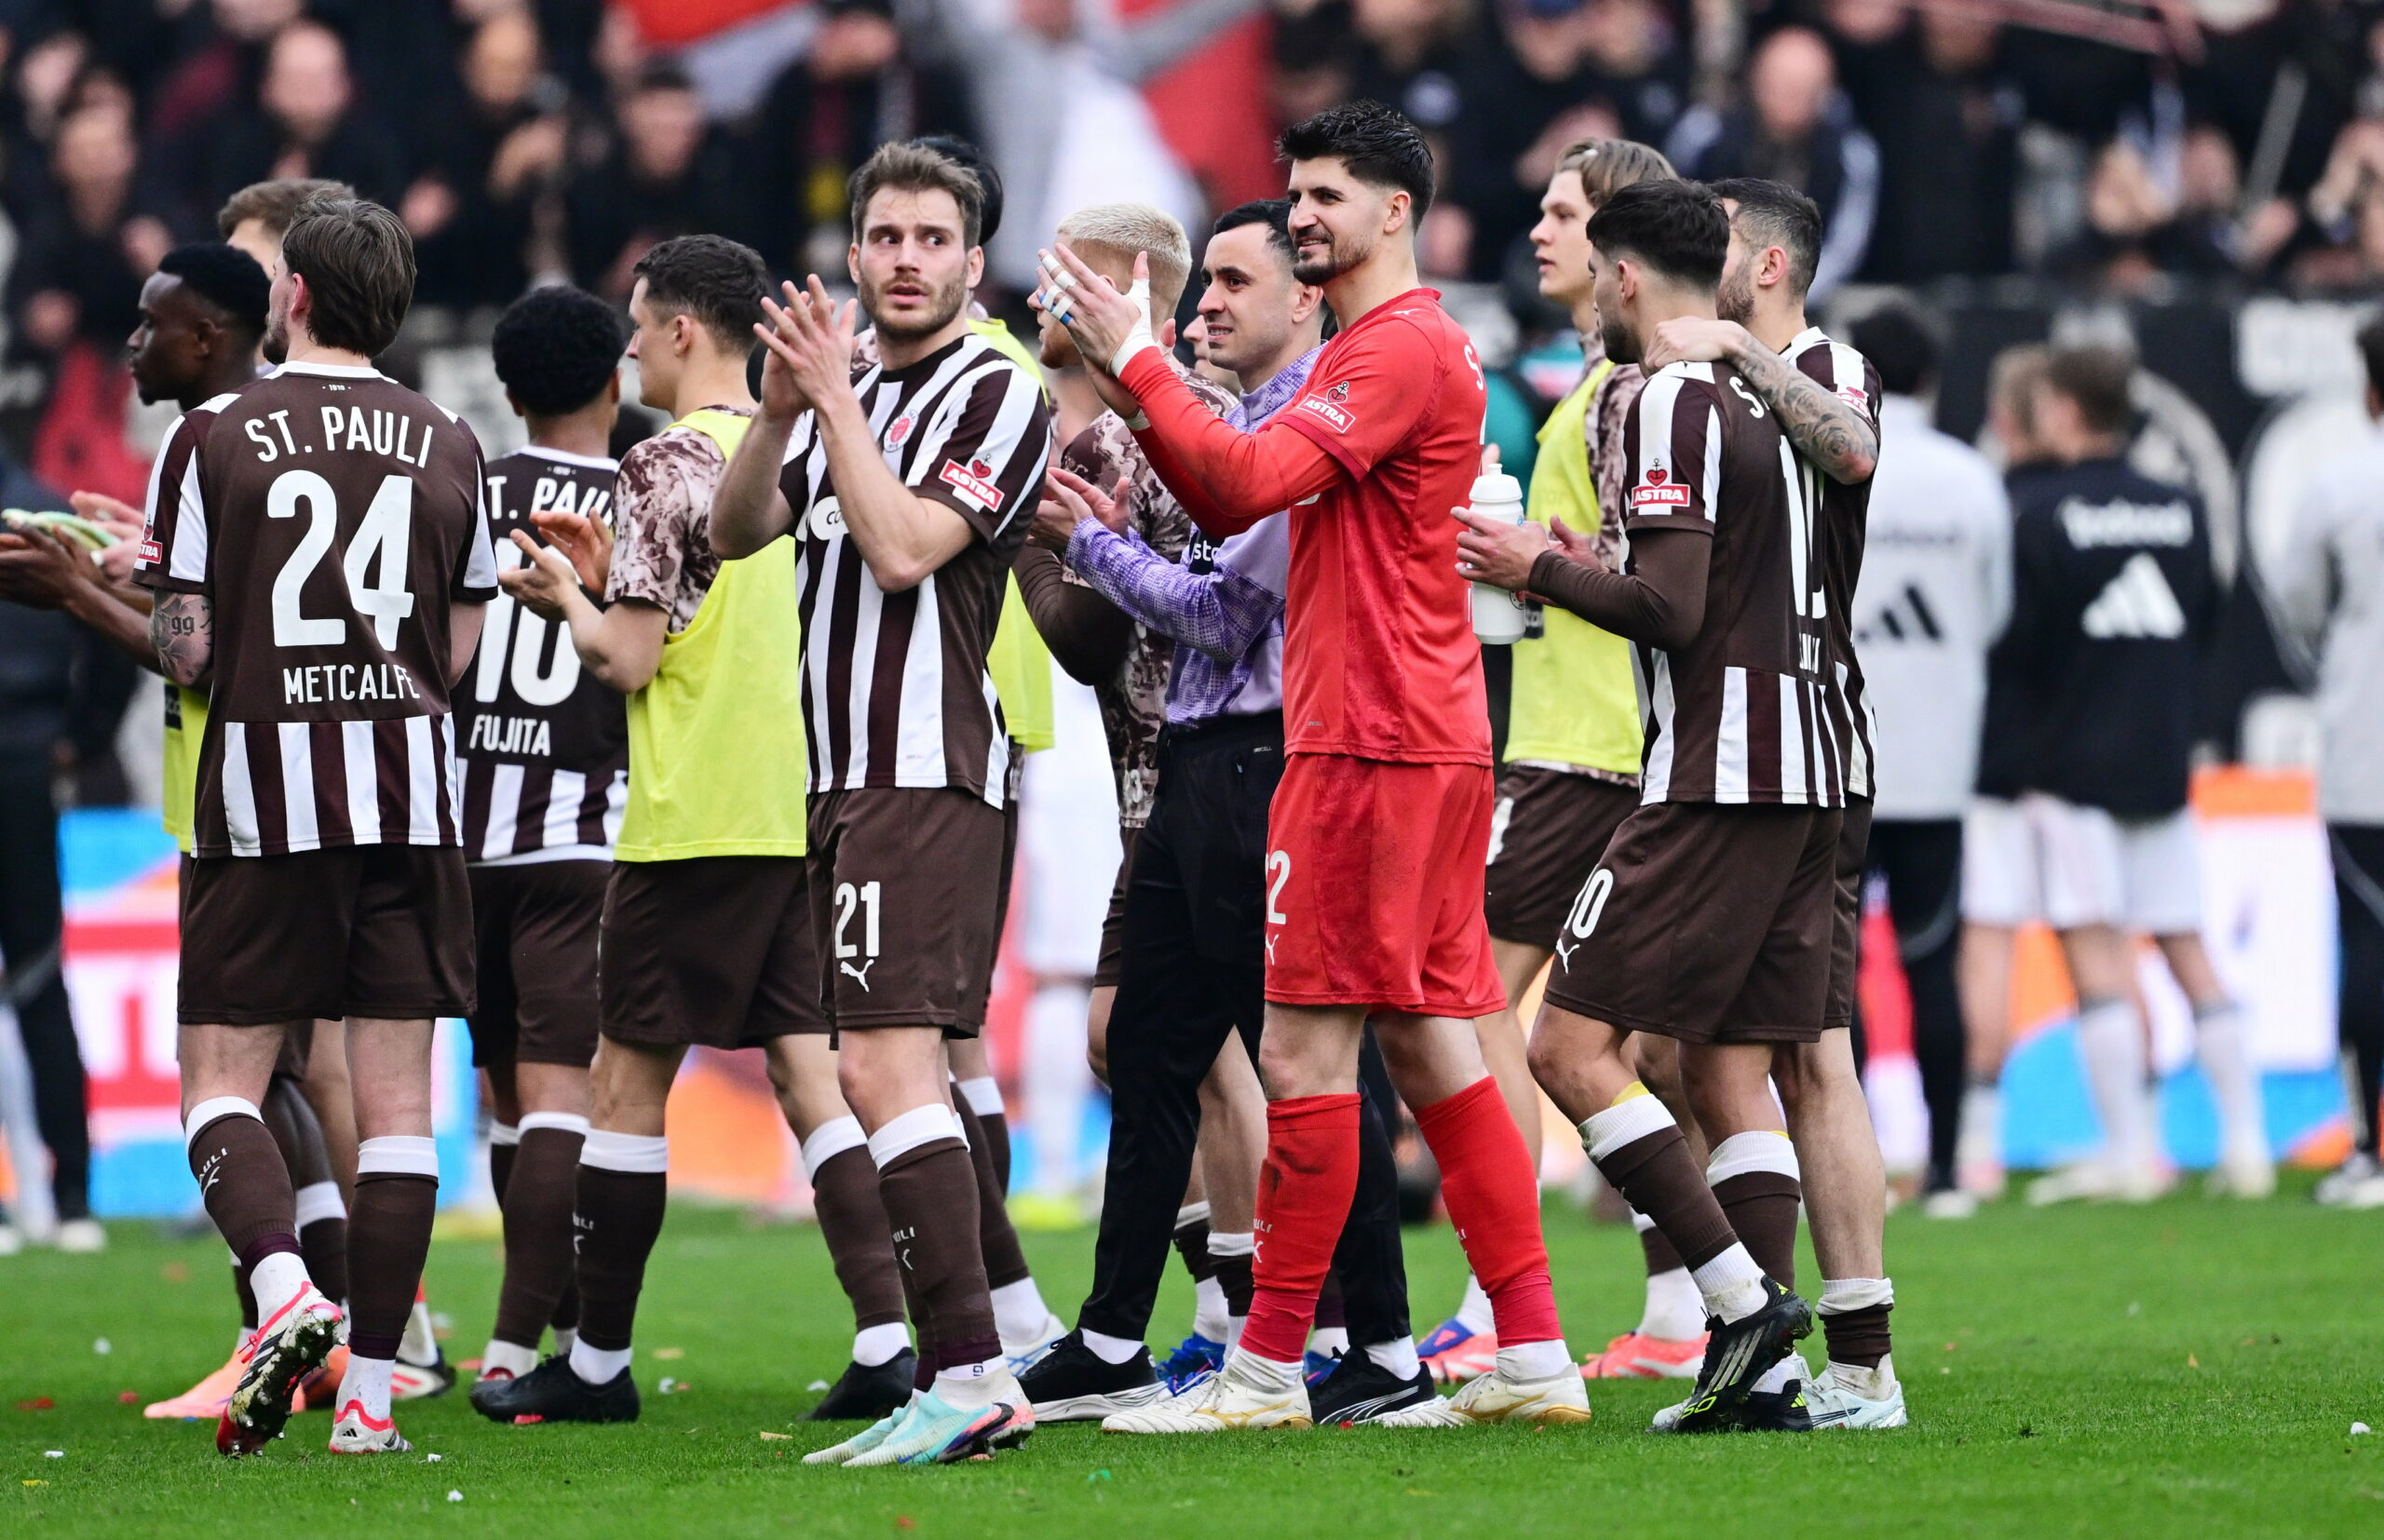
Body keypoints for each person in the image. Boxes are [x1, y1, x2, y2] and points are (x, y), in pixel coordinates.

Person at [1037, 100, 1585, 1431]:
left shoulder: (1393, 351)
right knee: (1433, 1044)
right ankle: (1533, 1354)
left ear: (1396, 212)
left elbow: (1236, 488)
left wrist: (1131, 357)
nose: (1303, 217)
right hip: (1413, 730)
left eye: (1327, 197)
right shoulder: (1387, 347)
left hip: (1367, 739)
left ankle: (1269, 1368)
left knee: (1299, 1049)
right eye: (1298, 195)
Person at [469, 236, 913, 1431]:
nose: (626, 344)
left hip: (694, 814)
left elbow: (627, 659)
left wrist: (565, 595)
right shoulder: (812, 447)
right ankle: (886, 1332)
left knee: (623, 1080)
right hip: (799, 804)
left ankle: (600, 1363)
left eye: (638, 320)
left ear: (680, 333)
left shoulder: (663, 462)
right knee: (809, 1074)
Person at [1026, 197, 1436, 1425]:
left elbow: (1223, 614)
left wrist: (1093, 548)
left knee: (1310, 1061)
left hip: (1276, 761)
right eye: (1200, 280)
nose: (1205, 301)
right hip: (1200, 766)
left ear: (1304, 301)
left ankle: (1385, 1347)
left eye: (1234, 281)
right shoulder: (1228, 422)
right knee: (1147, 1047)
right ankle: (1109, 1336)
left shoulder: (1314, 422)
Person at [1453, 178, 1820, 1433]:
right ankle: (1761, 1363)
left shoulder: (1664, 398)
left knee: (1563, 1042)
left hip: (1710, 770)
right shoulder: (1746, 394)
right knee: (1707, 1060)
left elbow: (1669, 609)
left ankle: (1739, 1303)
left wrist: (1535, 568)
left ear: (1620, 277)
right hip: (1789, 762)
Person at [133, 195, 498, 1457]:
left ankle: (286, 1292)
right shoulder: (451, 439)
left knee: (220, 1081)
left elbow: (184, 648)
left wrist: (176, 620)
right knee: (397, 1110)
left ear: (289, 295)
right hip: (410, 797)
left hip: (263, 802)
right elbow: (459, 642)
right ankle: (370, 1402)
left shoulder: (217, 433)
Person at [711, 141, 1055, 1466]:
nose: (907, 258)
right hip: (846, 772)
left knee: (883, 1063)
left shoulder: (995, 390)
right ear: (854, 254)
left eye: (933, 238)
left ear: (974, 261)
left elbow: (907, 550)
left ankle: (971, 1367)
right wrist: (788, 410)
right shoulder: (853, 394)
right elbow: (739, 532)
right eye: (886, 237)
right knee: (894, 1067)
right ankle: (974, 1352)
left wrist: (840, 406)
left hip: (929, 763)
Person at [1425, 137, 1703, 1388]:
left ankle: (1501, 1301)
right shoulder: (1600, 384)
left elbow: (1650, 579)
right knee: (1642, 1049)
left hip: (1584, 749)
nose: (1537, 229)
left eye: (1562, 212)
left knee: (1473, 999)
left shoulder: (1624, 396)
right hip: (1598, 741)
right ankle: (1683, 1307)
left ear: (1619, 240)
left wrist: (1525, 559)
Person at [1633, 176, 1903, 1428]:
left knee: (1808, 1050)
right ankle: (1777, 1352)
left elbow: (1851, 450)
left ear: (1774, 265)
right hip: (1728, 745)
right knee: (1700, 1052)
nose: (1708, 261)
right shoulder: (1687, 390)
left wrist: (1739, 346)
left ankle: (1861, 1358)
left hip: (1811, 748)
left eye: (1726, 243)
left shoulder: (1819, 359)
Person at [2002, 344, 2271, 1207]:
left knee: (2097, 958)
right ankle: (2247, 1147)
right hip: (2163, 758)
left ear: (2068, 411)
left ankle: (2131, 1153)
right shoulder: (2185, 507)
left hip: (2072, 763)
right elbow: (2206, 622)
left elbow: (2017, 645)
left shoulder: (2038, 512)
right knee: (2189, 949)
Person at [457, 285, 628, 1387]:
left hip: (467, 839)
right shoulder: (644, 495)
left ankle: (547, 1336)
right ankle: (520, 1346)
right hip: (587, 834)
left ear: (507, 392)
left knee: (509, 1099)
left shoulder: (466, 497)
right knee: (564, 1093)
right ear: (617, 380)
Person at [1844, 305, 2012, 1220]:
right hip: (1938, 758)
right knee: (1930, 963)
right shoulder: (1970, 478)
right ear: (1935, 379)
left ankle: (1855, 1162)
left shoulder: (1827, 460)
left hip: (1840, 755)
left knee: (1834, 977)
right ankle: (1946, 1170)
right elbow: (1993, 612)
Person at [2269, 312, 2384, 1209]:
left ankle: (2368, 1151)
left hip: (2366, 749)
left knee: (2368, 944)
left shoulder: (2342, 484)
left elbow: (2300, 605)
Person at [1955, 343, 2057, 1199]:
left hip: (1978, 757)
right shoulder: (2002, 500)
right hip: (2043, 758)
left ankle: (1972, 1140)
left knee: (1980, 945)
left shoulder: (2004, 504)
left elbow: (1992, 628)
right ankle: (1976, 1140)